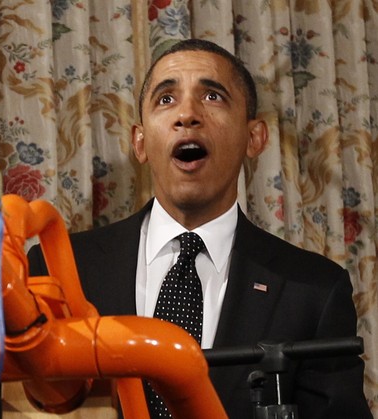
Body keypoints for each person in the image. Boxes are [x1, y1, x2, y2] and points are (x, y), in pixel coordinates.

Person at [28, 39, 372, 418]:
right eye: (165, 99)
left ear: (254, 137)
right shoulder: (61, 266)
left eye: (212, 97)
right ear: (140, 142)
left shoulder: (314, 290)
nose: (187, 115)